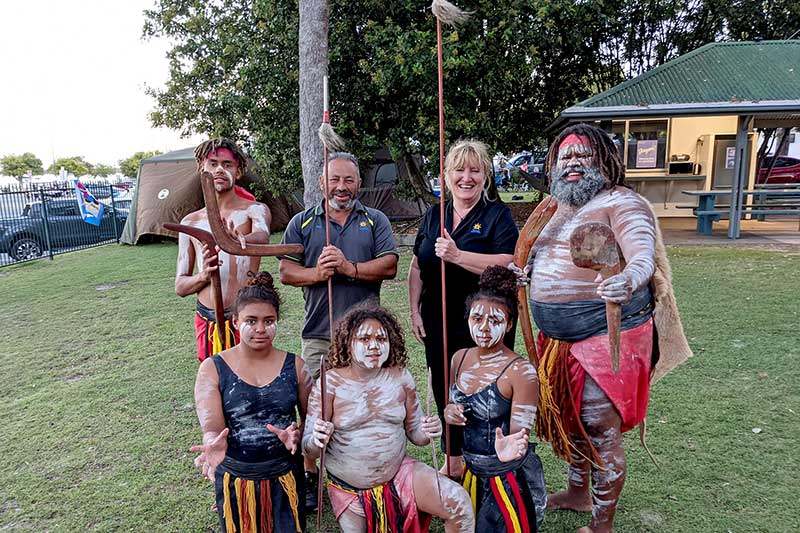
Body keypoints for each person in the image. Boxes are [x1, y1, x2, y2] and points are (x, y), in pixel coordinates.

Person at [521, 123, 691, 533]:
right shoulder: (553, 207)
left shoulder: (622, 202)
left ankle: (602, 523)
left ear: (605, 160)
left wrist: (627, 279)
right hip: (557, 342)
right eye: (567, 155)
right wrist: (525, 273)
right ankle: (580, 493)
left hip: (606, 335)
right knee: (571, 418)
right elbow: (536, 255)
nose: (574, 162)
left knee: (599, 426)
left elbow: (640, 256)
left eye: (584, 154)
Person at [279, 151, 398, 511]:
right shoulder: (302, 222)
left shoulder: (374, 220)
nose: (342, 187)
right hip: (319, 331)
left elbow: (390, 265)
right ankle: (312, 475)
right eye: (335, 179)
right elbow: (286, 271)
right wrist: (317, 274)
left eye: (349, 180)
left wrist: (348, 268)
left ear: (359, 184)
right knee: (316, 405)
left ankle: (369, 471)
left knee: (367, 404)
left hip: (368, 337)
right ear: (321, 182)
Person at [302, 305, 475, 533]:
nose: (374, 345)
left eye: (381, 338)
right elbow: (308, 450)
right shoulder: (330, 383)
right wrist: (317, 439)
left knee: (458, 502)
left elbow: (417, 435)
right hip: (349, 488)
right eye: (364, 338)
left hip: (399, 474)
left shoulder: (401, 377)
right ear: (348, 342)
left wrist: (430, 430)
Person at [409, 139, 519, 476]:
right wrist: (414, 309)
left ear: (486, 176)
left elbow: (507, 262)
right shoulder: (434, 215)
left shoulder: (497, 215)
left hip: (484, 323)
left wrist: (458, 256)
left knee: (483, 388)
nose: (466, 177)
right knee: (446, 388)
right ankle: (453, 460)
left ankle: (487, 457)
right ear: (446, 175)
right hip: (437, 319)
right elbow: (417, 265)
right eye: (459, 169)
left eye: (475, 170)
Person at [191, 271, 313, 532]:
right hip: (237, 483)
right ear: (235, 322)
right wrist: (213, 440)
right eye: (251, 320)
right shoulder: (213, 368)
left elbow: (311, 421)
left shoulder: (297, 367)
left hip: (285, 480)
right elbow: (212, 424)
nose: (260, 329)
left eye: (269, 321)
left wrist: (299, 436)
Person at [444, 266, 547, 532]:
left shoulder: (521, 372)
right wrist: (449, 413)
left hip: (507, 477)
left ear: (509, 324)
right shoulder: (459, 358)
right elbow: (453, 408)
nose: (484, 328)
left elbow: (519, 437)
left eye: (495, 320)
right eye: (477, 319)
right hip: (472, 470)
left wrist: (510, 449)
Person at [175, 138, 272, 362]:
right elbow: (180, 286)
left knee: (253, 379)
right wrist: (204, 275)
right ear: (202, 168)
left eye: (228, 164)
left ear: (238, 172)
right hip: (207, 320)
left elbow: (263, 236)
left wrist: (240, 240)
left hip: (247, 317)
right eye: (213, 163)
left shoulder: (254, 210)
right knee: (214, 383)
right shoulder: (190, 222)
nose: (220, 169)